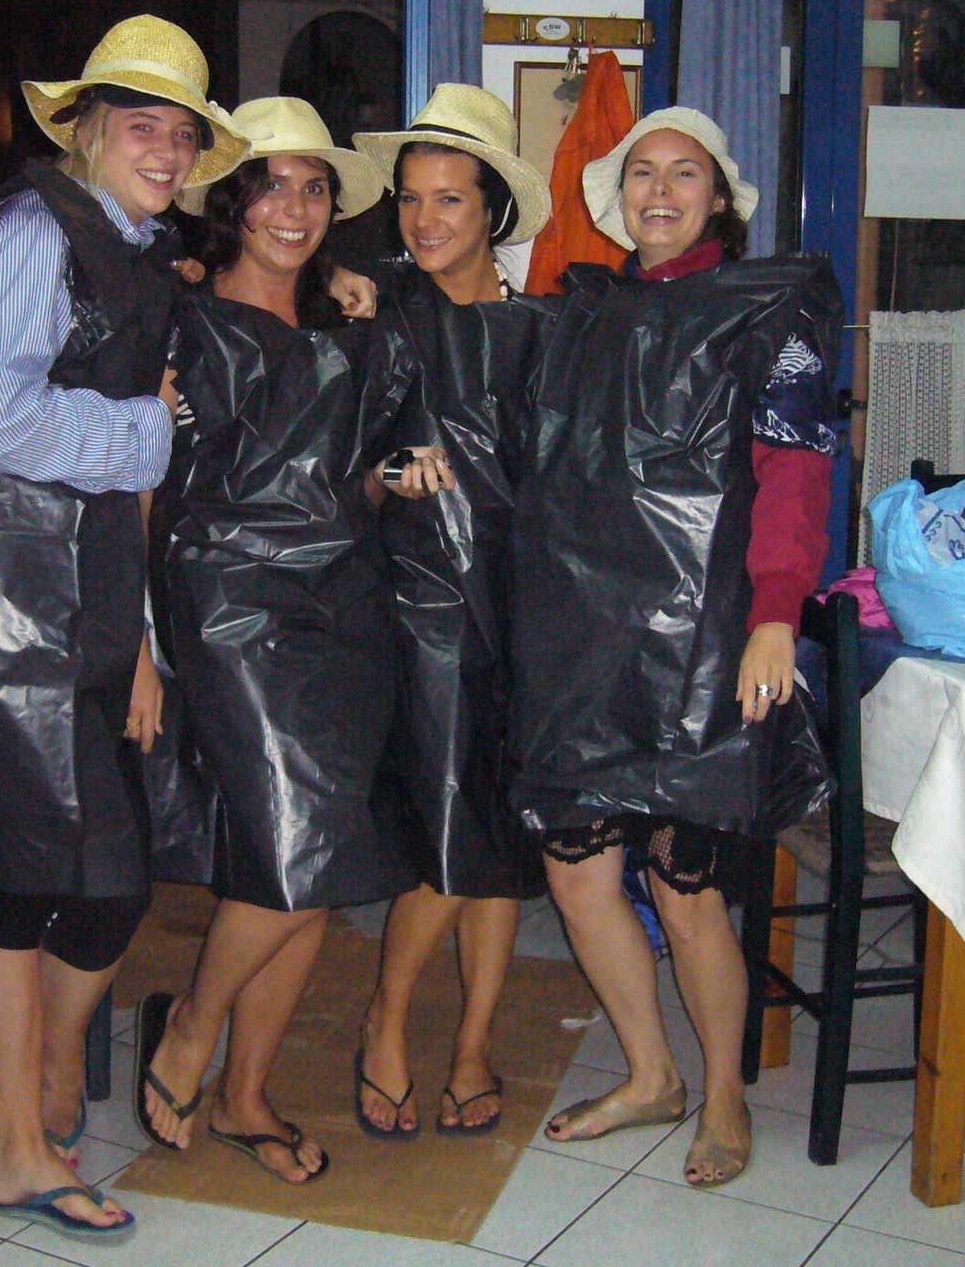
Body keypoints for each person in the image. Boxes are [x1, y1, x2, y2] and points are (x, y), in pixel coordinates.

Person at [0, 14, 245, 1238]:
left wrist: (135, 639)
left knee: (96, 881)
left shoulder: (125, 245)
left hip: (76, 607)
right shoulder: (36, 232)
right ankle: (16, 1149)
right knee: (41, 884)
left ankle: (37, 1086)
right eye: (143, 126)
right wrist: (146, 427)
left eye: (182, 132)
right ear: (87, 130)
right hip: (12, 612)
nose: (167, 150)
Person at [510, 107, 839, 1188]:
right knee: (576, 875)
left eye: (683, 173)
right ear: (618, 199)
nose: (660, 190)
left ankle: (725, 1092)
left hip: (704, 635)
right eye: (641, 173)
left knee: (686, 886)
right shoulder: (579, 314)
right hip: (579, 635)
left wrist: (775, 613)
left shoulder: (770, 307)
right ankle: (651, 1076)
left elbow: (794, 469)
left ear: (718, 198)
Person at [136, 97, 432, 1184]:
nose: (294, 209)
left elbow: (359, 475)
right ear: (232, 199)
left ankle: (246, 1096)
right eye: (270, 185)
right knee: (288, 843)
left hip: (344, 604)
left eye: (314, 189)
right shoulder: (177, 321)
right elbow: (137, 489)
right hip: (229, 605)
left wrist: (400, 474)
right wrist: (137, 643)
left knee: (320, 857)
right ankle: (190, 1027)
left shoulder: (349, 325)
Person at [346, 85, 554, 1139]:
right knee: (446, 827)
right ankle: (384, 1024)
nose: (423, 219)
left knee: (502, 837)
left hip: (531, 610)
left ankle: (473, 1042)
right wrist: (391, 471)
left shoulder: (543, 330)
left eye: (448, 199)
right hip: (423, 608)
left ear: (492, 212)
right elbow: (335, 477)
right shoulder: (380, 318)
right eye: (410, 198)